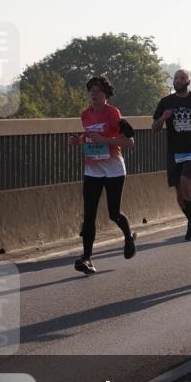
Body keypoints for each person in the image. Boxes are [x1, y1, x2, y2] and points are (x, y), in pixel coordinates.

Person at [68, 76, 137, 274]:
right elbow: (90, 137)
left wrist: (105, 140)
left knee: (114, 213)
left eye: (98, 91)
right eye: (91, 91)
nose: (94, 95)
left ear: (106, 95)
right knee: (89, 215)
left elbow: (129, 142)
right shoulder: (85, 115)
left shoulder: (113, 113)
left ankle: (129, 236)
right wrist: (78, 141)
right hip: (92, 171)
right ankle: (87, 258)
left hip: (114, 169)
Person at [152, 70, 191, 240]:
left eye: (182, 78)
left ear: (188, 81)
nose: (178, 81)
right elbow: (154, 128)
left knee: (186, 182)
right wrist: (163, 118)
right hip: (174, 150)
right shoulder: (166, 102)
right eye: (176, 78)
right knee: (179, 191)